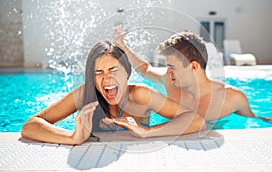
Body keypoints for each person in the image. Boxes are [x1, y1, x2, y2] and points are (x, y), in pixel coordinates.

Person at [21, 40, 205, 145]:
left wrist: (147, 132)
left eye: (113, 70)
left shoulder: (140, 95)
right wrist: (72, 137)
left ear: (127, 72)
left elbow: (196, 120)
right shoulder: (86, 94)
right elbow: (30, 125)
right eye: (98, 73)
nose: (106, 79)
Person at [110, 28, 272, 130]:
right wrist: (122, 45)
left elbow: (254, 121)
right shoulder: (170, 81)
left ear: (194, 66)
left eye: (172, 67)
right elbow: (144, 69)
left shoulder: (232, 98)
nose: (168, 72)